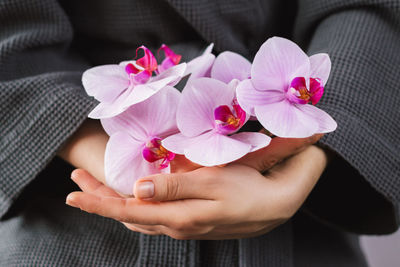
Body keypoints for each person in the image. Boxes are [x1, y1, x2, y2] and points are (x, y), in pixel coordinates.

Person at [0, 0, 399, 266]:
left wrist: (306, 158)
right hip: (76, 235)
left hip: (302, 231)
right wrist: (113, 162)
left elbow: (369, 8)